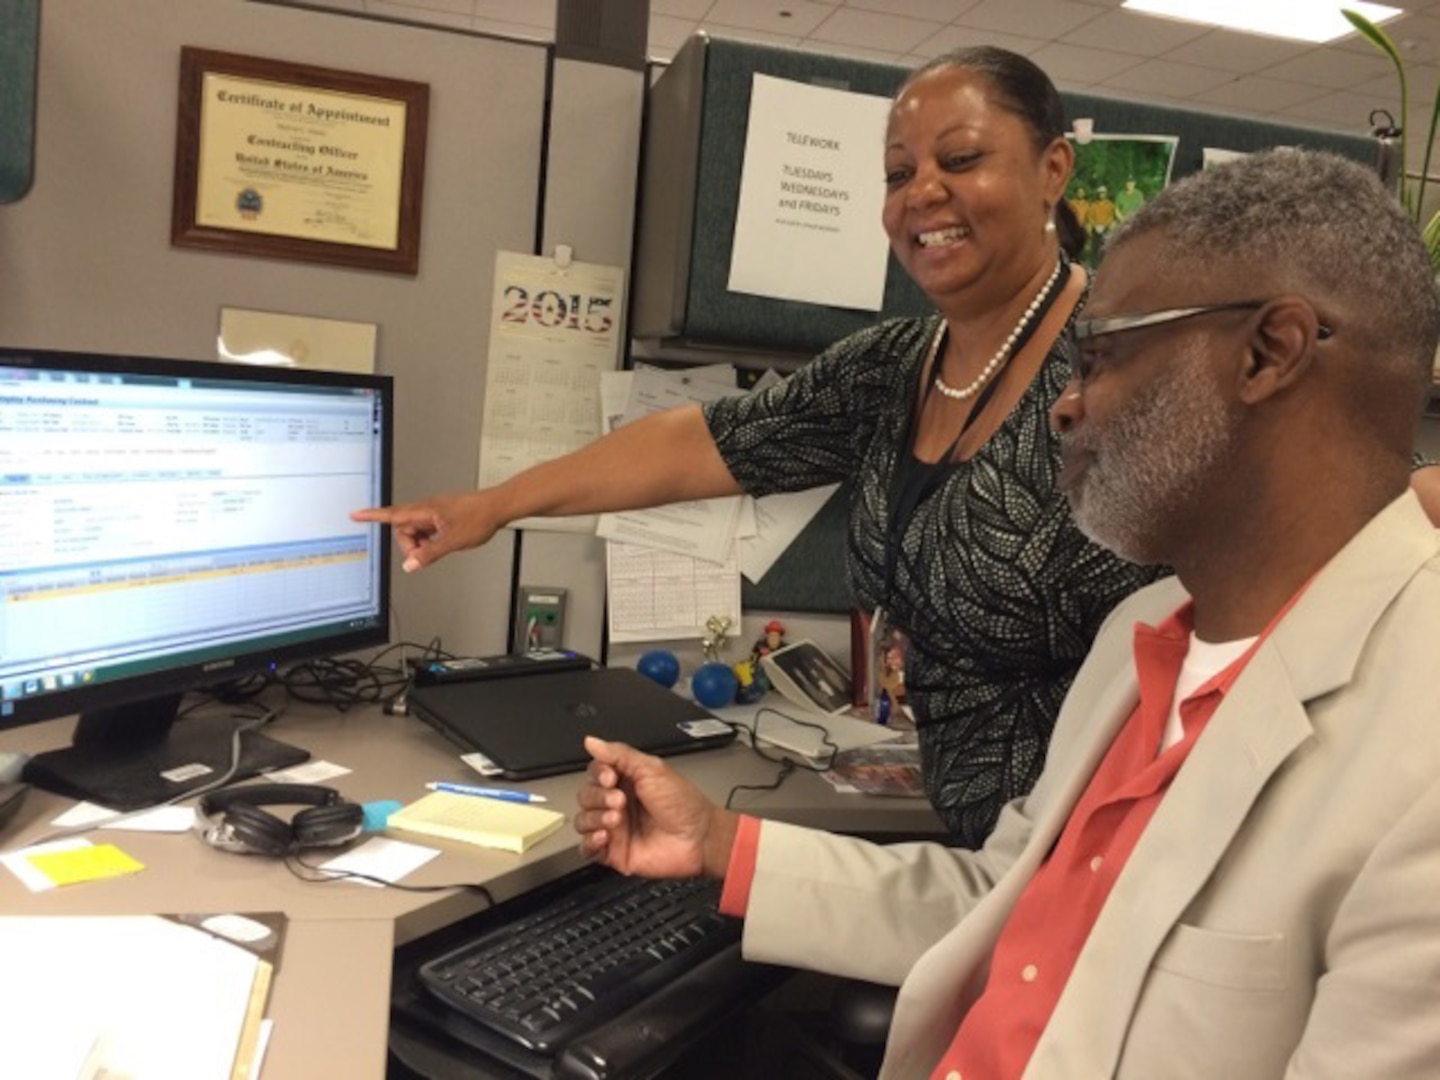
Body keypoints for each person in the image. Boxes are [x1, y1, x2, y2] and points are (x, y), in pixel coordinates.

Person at [574, 149, 1440, 1077]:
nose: (1064, 407)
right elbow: (1002, 909)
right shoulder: (1140, 635)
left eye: (1102, 356)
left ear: (1269, 353)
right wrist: (717, 841)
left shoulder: (1415, 746)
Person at [354, 47, 1162, 847]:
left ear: (1053, 169)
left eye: (961, 158)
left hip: (1109, 850)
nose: (922, 193)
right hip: (978, 851)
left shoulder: (1127, 379)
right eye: (896, 173)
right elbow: (698, 443)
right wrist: (494, 505)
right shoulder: (893, 368)